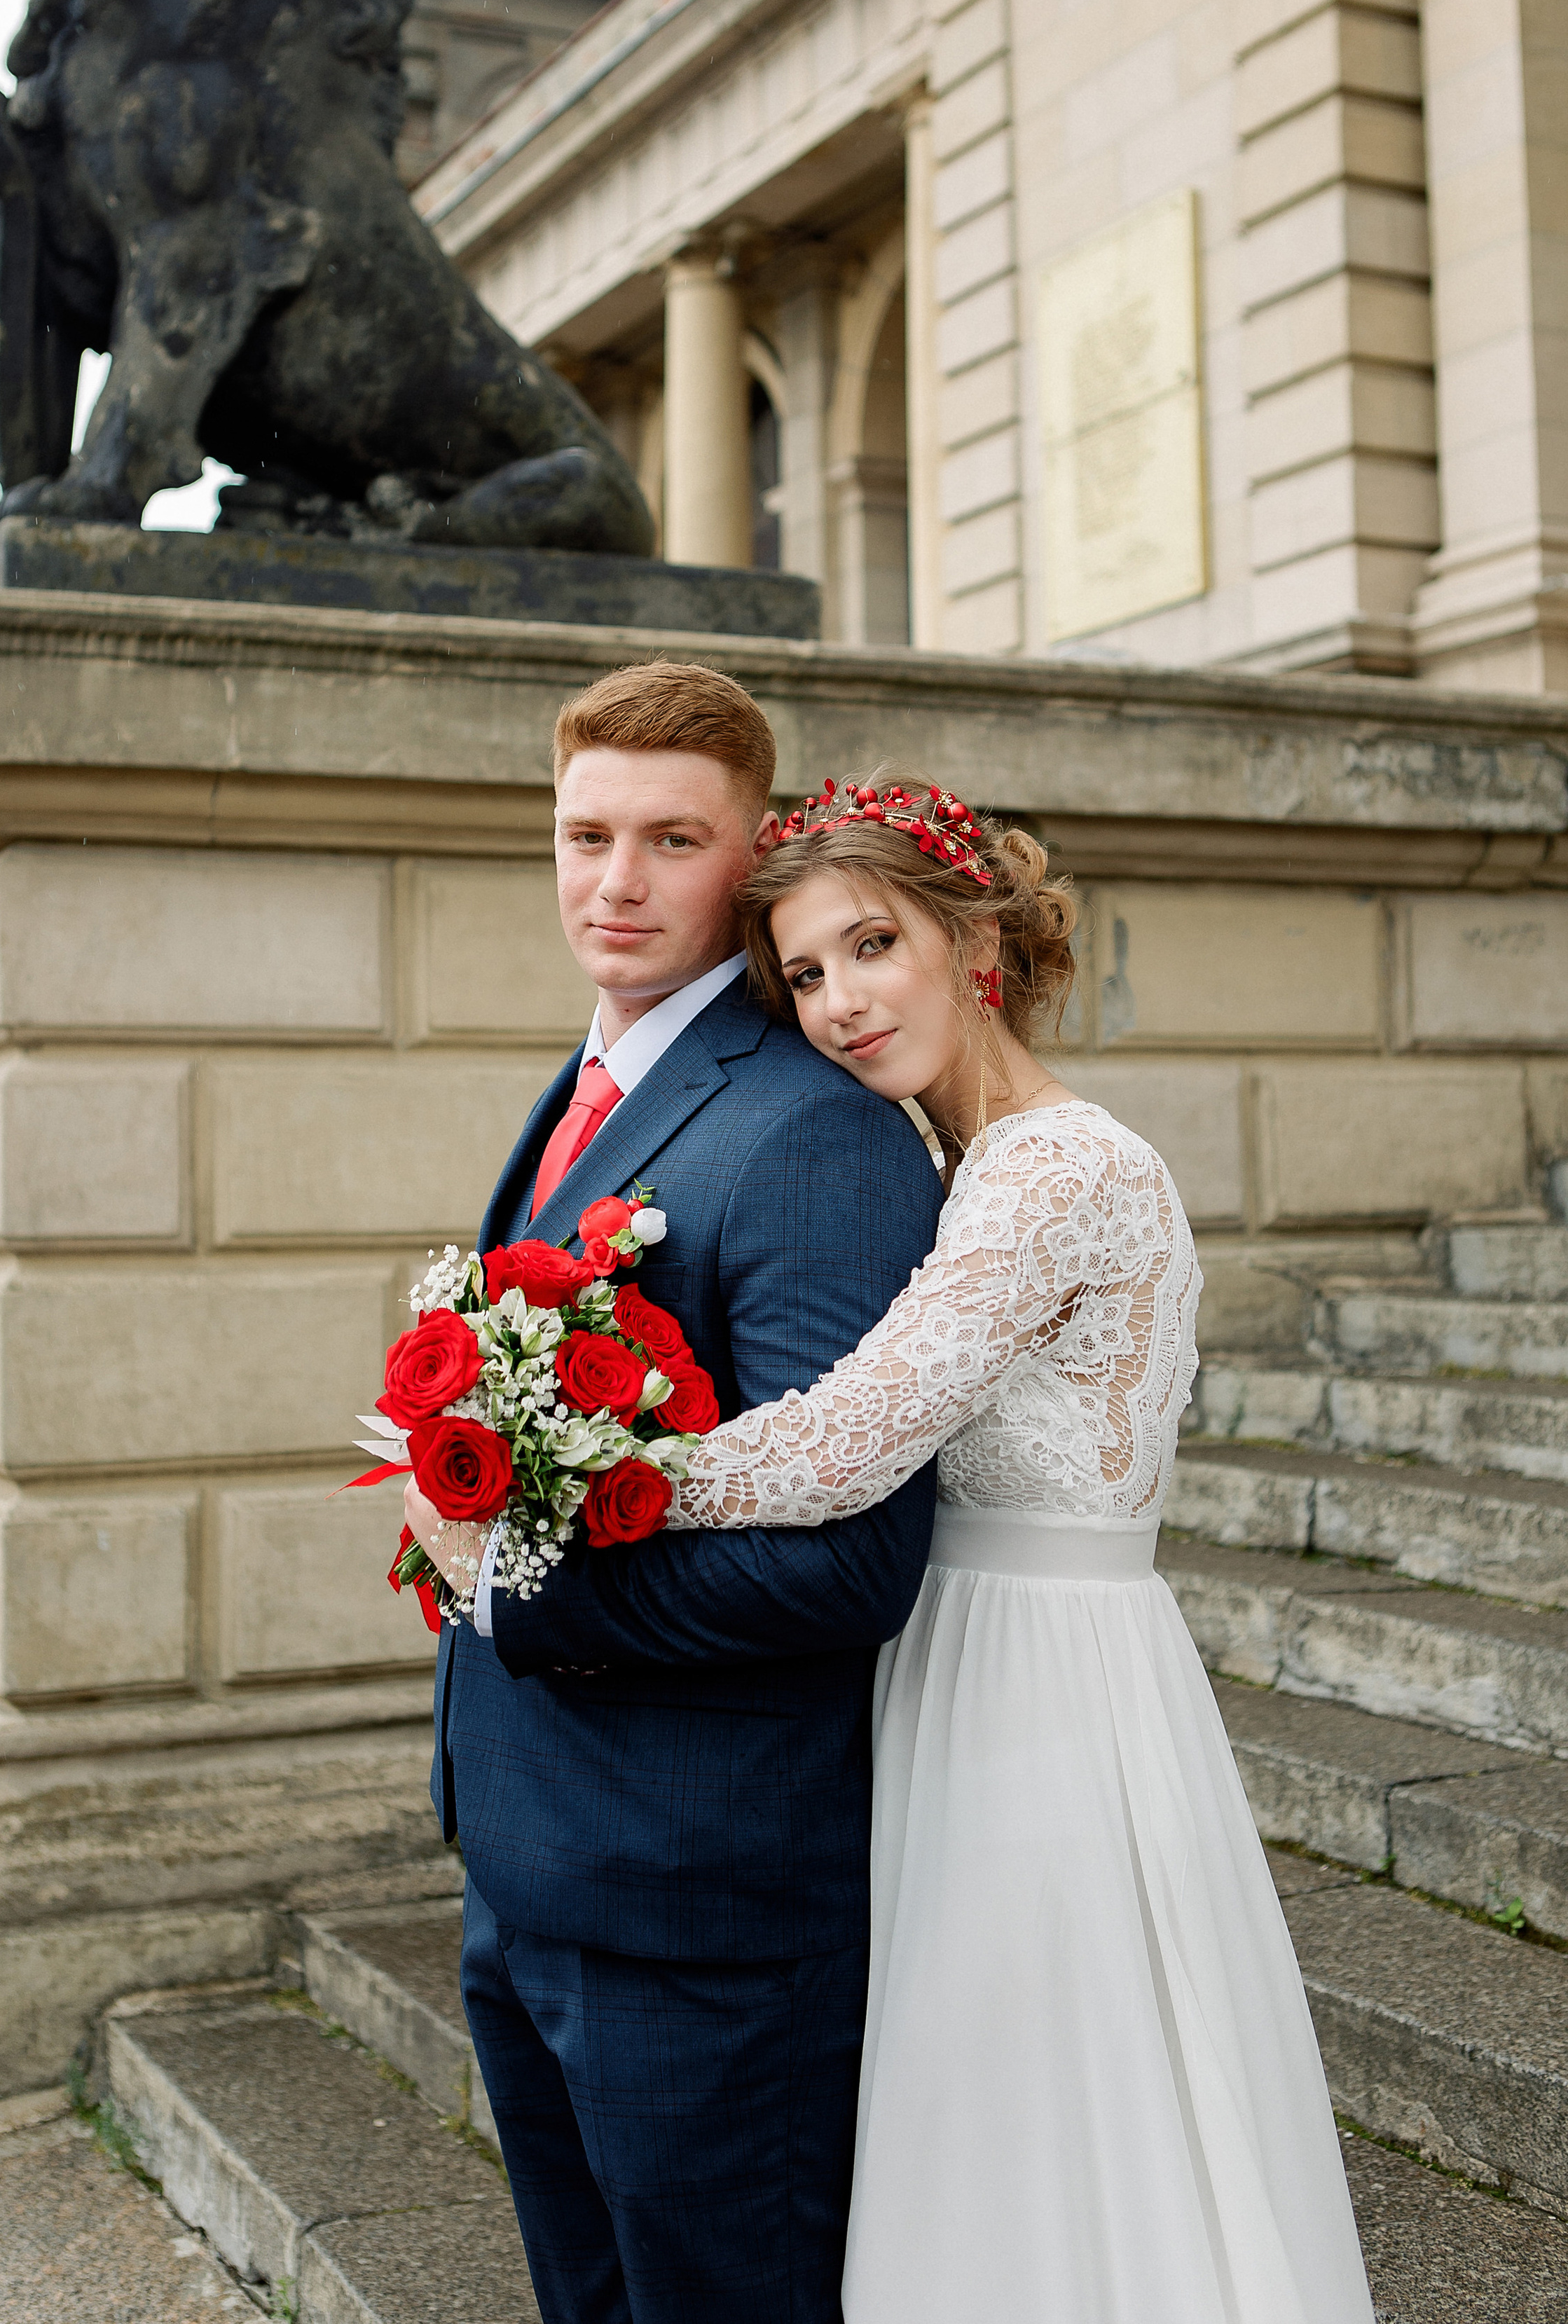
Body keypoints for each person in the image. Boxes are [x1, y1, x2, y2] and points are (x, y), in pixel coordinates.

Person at [415, 770, 1376, 2324]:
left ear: (971, 942)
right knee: (965, 2141)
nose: (841, 1004)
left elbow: (839, 1446)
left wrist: (559, 1491)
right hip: (945, 1684)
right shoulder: (947, 1167)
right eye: (803, 974)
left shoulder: (1059, 1173)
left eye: (873, 947)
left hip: (1041, 1699)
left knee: (1058, 2123)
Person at [413, 664, 944, 2324]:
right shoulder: (591, 1085)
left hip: (695, 1909)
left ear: (751, 855)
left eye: (671, 840)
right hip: (529, 1859)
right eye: (585, 837)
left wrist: (512, 1586)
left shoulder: (809, 1134)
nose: (616, 884)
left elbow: (847, 1569)